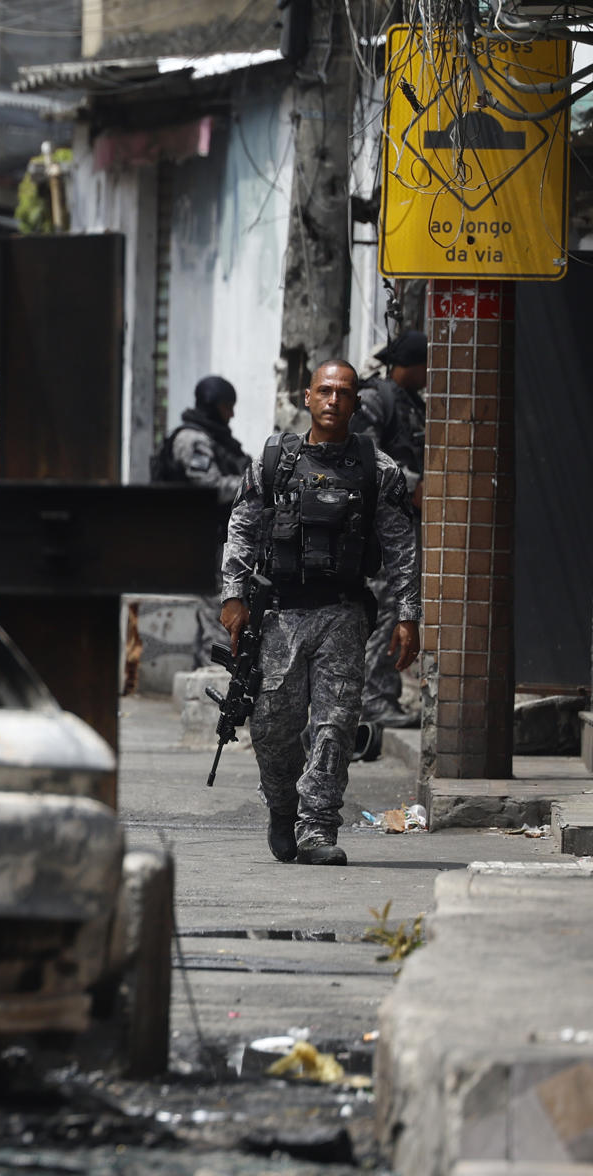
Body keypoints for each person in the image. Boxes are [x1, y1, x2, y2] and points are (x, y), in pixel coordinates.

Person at [219, 360, 421, 867]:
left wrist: (408, 614)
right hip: (280, 616)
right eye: (325, 390)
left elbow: (402, 546)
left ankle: (317, 828)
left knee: (335, 725)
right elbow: (241, 527)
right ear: (306, 398)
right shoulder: (273, 461)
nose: (334, 400)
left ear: (356, 403)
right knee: (271, 727)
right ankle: (283, 808)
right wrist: (233, 596)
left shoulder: (379, 470)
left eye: (344, 393)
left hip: (343, 615)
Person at [350, 330, 427, 731]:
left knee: (399, 608)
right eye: (424, 366)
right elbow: (366, 453)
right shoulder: (376, 399)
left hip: (402, 522)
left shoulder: (410, 402)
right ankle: (375, 702)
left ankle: (381, 697)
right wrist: (412, 486)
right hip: (380, 523)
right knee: (384, 610)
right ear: (409, 366)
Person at [155, 375, 253, 661]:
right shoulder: (193, 439)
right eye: (227, 406)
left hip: (214, 537)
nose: (231, 414)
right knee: (218, 610)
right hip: (200, 539)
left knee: (213, 611)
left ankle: (205, 675)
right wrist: (251, 485)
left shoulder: (212, 439)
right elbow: (208, 486)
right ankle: (215, 680)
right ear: (213, 405)